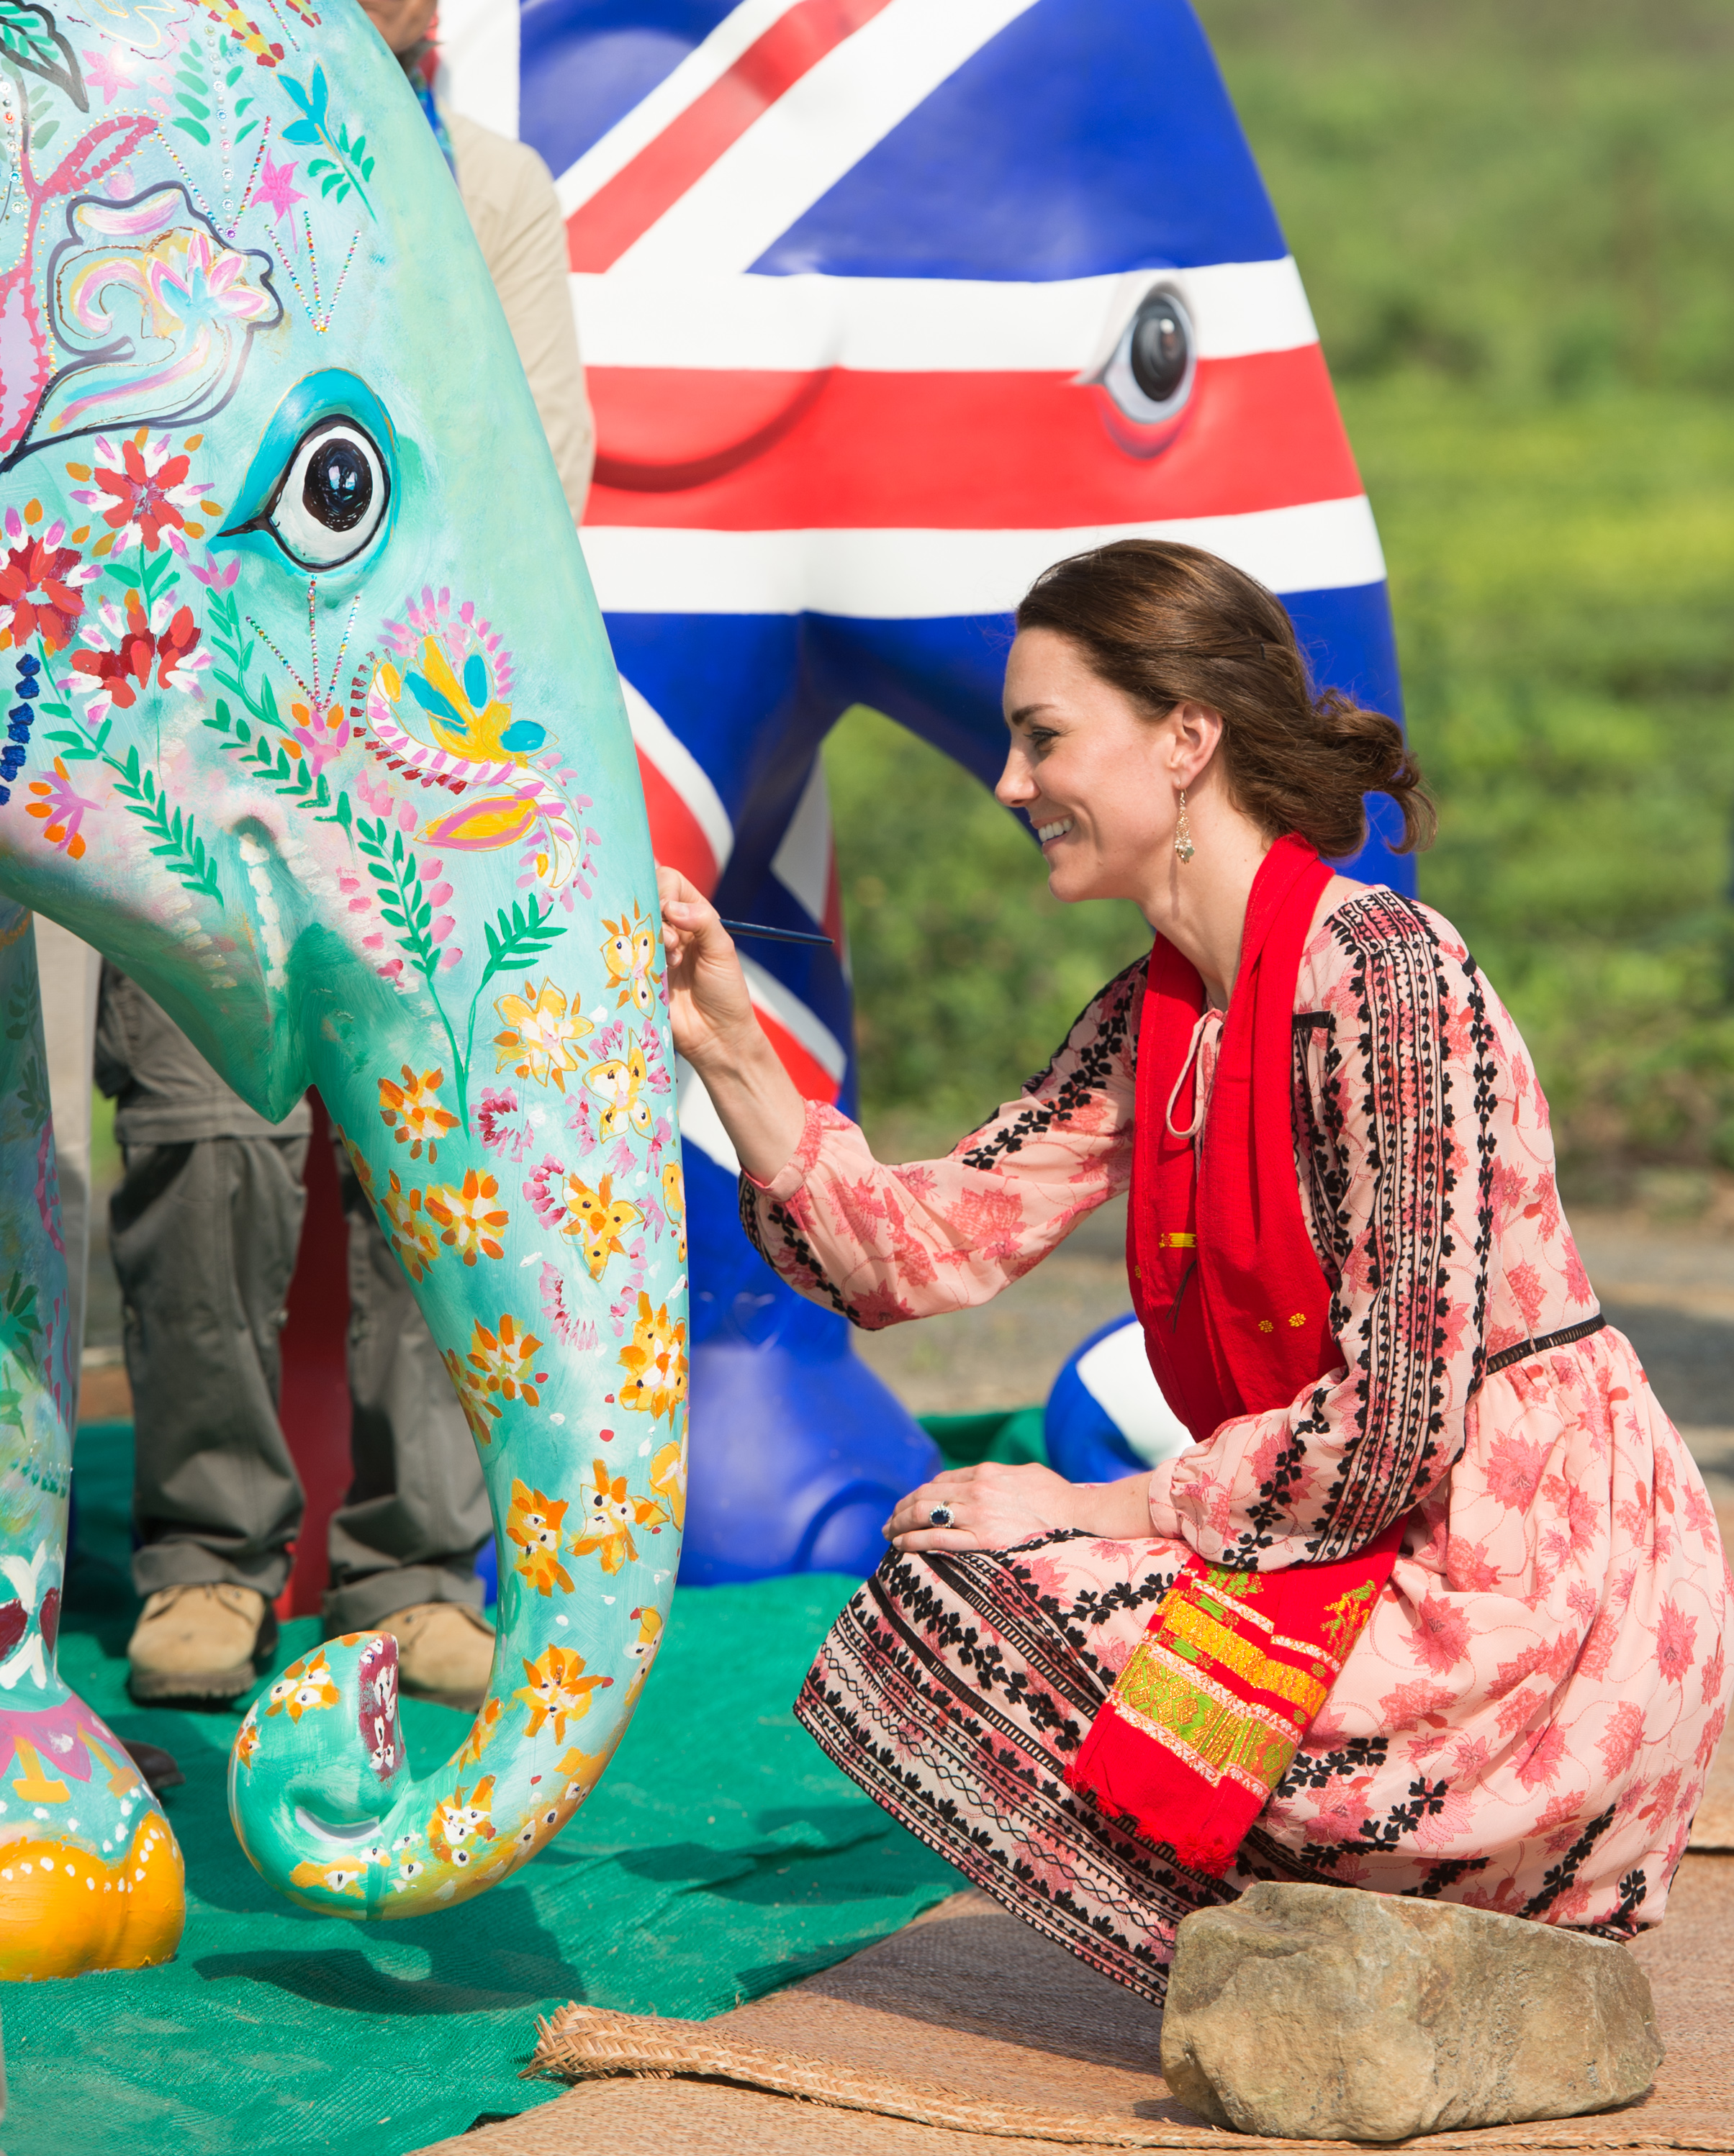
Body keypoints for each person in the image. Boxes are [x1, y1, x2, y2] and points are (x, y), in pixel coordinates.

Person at [659, 538, 1732, 2001]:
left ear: (1184, 739)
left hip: (1521, 1602)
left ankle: (1392, 1927)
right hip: (1347, 1534)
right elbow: (921, 1250)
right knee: (938, 1598)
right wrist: (727, 1047)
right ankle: (1313, 1951)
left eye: (1042, 737)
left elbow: (1395, 1426)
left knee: (979, 1610)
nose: (1009, 783)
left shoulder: (1387, 980)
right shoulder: (1159, 1015)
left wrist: (1092, 1505)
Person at [114, 0, 593, 1710]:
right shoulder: (168, 172)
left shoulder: (488, 188)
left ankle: (418, 1569)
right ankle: (205, 1555)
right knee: (201, 1145)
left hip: (420, 753)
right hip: (204, 743)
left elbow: (538, 466)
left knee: (432, 1161)